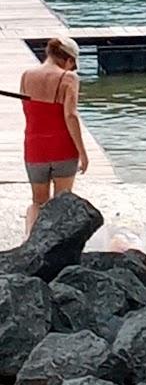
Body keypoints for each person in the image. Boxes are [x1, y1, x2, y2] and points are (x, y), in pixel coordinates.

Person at [20, 35, 88, 235]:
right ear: (67, 59)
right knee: (61, 203)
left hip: (34, 148)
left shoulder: (26, 76)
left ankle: (29, 245)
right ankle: (57, 247)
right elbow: (70, 115)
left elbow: (30, 112)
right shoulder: (68, 78)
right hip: (62, 148)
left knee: (37, 203)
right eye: (72, 64)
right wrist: (83, 152)